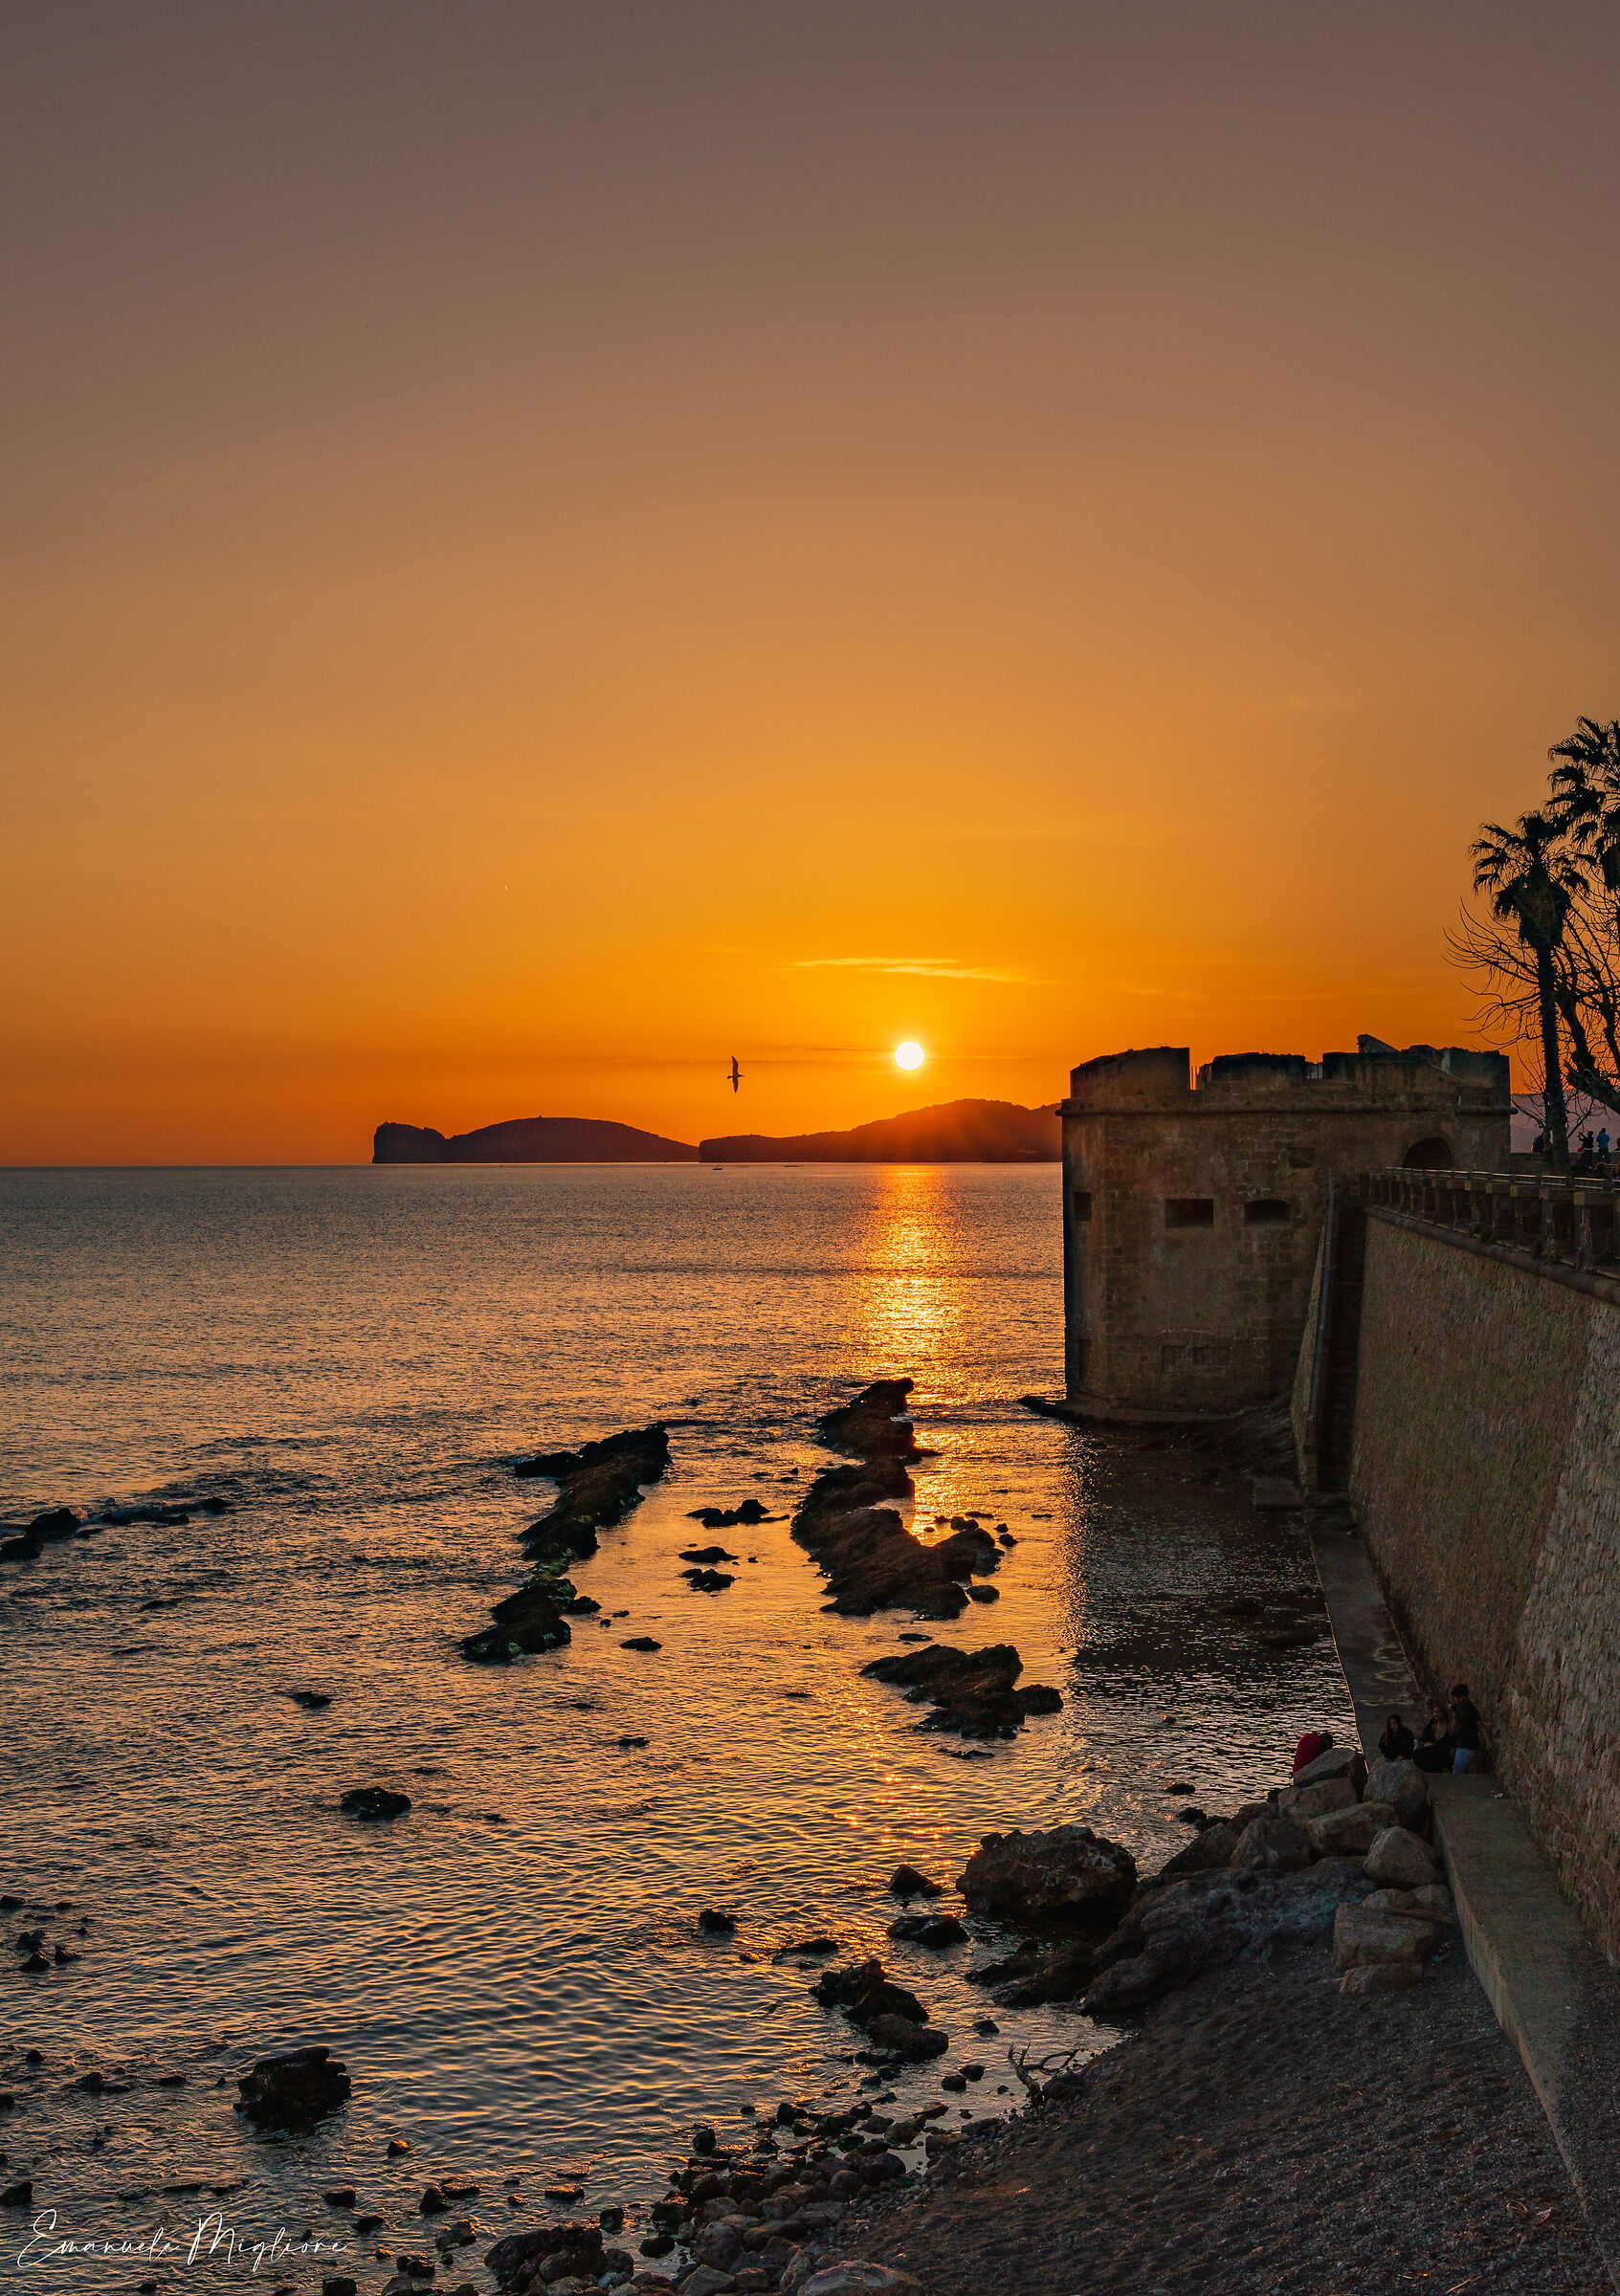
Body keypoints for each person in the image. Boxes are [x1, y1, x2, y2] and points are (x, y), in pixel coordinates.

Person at [1451, 1682, 1482, 1773]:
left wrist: (1488, 1742)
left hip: (1468, 1746)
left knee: (1458, 1770)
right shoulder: (1458, 1707)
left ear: (1465, 1696)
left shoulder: (1471, 1710)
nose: (1457, 1699)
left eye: (1458, 1697)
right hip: (1460, 1744)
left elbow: (1480, 1725)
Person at [1415, 1701, 1454, 1774]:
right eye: (1434, 1712)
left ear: (1443, 1712)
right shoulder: (1433, 1725)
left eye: (1438, 1712)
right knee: (1417, 1753)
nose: (1436, 1714)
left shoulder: (1449, 1726)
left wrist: (1453, 1748)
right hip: (1434, 1751)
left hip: (1444, 1752)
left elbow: (1454, 1739)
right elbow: (1424, 1736)